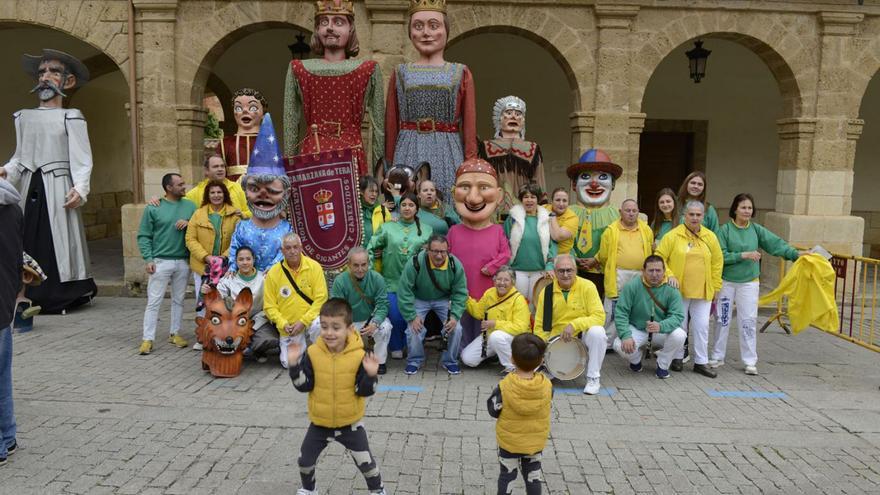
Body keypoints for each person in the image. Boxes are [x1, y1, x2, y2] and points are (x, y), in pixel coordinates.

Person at [0, 49, 97, 314]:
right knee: (25, 237)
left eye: (54, 71)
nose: (46, 77)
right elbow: (19, 158)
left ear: (68, 81)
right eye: (42, 72)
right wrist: (5, 171)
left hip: (58, 187)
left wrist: (80, 188)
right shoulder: (23, 117)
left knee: (60, 241)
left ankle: (61, 296)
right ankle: (23, 293)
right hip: (29, 186)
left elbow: (82, 159)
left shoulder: (72, 116)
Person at [287, 298, 386, 495]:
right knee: (304, 461)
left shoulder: (359, 356)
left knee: (366, 464)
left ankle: (377, 490)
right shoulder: (313, 353)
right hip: (319, 423)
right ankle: (309, 489)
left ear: (349, 329)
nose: (329, 333)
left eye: (336, 327)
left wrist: (371, 374)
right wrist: (294, 366)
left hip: (350, 424)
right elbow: (304, 386)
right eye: (324, 327)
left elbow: (365, 391)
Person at [385, 0, 477, 203]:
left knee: (447, 203)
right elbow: (391, 123)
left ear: (446, 30)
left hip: (447, 149)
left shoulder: (460, 73)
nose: (426, 33)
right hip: (408, 147)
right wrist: (388, 165)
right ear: (410, 33)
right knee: (407, 203)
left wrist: (471, 167)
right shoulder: (400, 72)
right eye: (418, 26)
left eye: (433, 26)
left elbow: (469, 127)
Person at [283, 0, 384, 176]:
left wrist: (379, 171)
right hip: (313, 153)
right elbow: (290, 123)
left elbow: (379, 127)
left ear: (351, 29)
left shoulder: (368, 70)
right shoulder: (298, 69)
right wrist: (289, 169)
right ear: (317, 30)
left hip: (350, 152)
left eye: (338, 22)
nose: (330, 28)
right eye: (324, 22)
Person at [712, 193, 803, 375]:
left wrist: (796, 254)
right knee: (722, 319)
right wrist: (743, 255)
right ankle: (717, 356)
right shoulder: (724, 231)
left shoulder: (756, 230)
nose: (747, 211)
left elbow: (775, 244)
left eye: (750, 208)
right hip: (727, 282)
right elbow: (719, 256)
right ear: (735, 209)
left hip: (749, 283)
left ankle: (749, 360)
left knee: (748, 321)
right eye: (743, 207)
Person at [656, 200, 723, 377]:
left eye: (698, 215)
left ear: (703, 216)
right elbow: (659, 257)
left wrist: (716, 286)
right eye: (691, 214)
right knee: (680, 326)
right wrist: (668, 274)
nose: (694, 218)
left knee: (701, 327)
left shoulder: (710, 237)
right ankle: (677, 358)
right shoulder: (672, 236)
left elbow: (717, 262)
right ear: (685, 215)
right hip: (679, 291)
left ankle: (701, 362)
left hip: (703, 290)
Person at [448, 158, 511, 347]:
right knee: (463, 316)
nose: (473, 198)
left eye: (483, 188)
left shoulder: (498, 230)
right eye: (465, 187)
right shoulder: (454, 231)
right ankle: (461, 348)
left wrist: (491, 267)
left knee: (485, 315)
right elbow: (445, 258)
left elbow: (506, 254)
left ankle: (484, 349)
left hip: (486, 285)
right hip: (462, 285)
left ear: (499, 195)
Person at [136, 173, 197, 355]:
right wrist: (148, 259)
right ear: (169, 188)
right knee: (154, 301)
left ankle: (175, 333)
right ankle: (148, 339)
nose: (184, 186)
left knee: (179, 300)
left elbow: (199, 225)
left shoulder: (190, 206)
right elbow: (144, 235)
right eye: (180, 184)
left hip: (183, 262)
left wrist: (188, 223)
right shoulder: (153, 208)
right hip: (160, 262)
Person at [367, 192, 432, 358]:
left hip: (416, 284)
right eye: (404, 205)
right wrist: (371, 268)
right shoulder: (388, 227)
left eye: (411, 205)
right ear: (399, 207)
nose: (407, 208)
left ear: (417, 208)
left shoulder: (426, 230)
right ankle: (396, 346)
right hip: (391, 281)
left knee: (411, 318)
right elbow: (372, 246)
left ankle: (409, 344)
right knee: (395, 317)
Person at [487, 333, 552, 495]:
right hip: (535, 442)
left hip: (510, 443)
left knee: (507, 476)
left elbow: (493, 410)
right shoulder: (547, 385)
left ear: (512, 359)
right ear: (541, 361)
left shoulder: (504, 386)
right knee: (533, 476)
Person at [310, 247, 392, 375]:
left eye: (364, 265)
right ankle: (324, 357)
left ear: (368, 263)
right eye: (356, 265)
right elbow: (337, 308)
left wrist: (374, 323)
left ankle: (380, 361)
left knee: (385, 327)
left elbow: (383, 305)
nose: (360, 269)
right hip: (347, 321)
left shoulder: (377, 279)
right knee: (316, 325)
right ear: (348, 264)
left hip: (368, 320)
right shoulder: (340, 281)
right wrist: (345, 325)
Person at [533, 254, 607, 395]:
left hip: (582, 336)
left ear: (575, 270)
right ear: (554, 272)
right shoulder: (546, 292)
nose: (565, 274)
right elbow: (540, 325)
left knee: (598, 332)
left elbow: (599, 316)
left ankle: (593, 377)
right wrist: (542, 348)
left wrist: (574, 324)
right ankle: (550, 367)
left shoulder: (588, 286)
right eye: (561, 271)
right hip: (557, 341)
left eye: (569, 270)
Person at [397, 234, 467, 375]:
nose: (439, 255)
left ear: (448, 250)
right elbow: (404, 290)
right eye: (435, 251)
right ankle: (414, 361)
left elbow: (460, 292)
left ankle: (450, 361)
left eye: (443, 251)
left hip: (443, 299)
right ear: (427, 250)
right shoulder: (415, 262)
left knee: (456, 328)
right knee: (414, 328)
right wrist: (412, 316)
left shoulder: (455, 265)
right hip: (420, 298)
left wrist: (454, 315)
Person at [611, 255, 687, 379]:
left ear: (664, 271)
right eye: (650, 270)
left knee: (680, 335)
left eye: (658, 271)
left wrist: (661, 326)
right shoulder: (632, 286)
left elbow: (677, 316)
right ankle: (636, 360)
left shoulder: (672, 289)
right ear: (643, 271)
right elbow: (621, 313)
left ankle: (662, 364)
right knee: (618, 345)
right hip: (638, 328)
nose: (654, 274)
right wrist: (626, 335)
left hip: (660, 330)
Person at [262, 233, 328, 368]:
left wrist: (303, 321)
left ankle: (318, 352)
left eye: (295, 247)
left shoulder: (314, 267)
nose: (292, 251)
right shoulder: (274, 273)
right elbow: (269, 306)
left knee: (319, 325)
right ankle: (303, 350)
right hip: (290, 327)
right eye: (288, 248)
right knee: (290, 364)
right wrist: (282, 323)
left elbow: (321, 299)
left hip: (309, 321)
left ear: (301, 248)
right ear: (282, 251)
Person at [567, 149, 623, 301]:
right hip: (572, 272)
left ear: (612, 184)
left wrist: (596, 259)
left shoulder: (618, 215)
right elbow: (560, 241)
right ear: (574, 185)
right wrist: (574, 258)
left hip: (602, 273)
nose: (594, 183)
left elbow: (616, 244)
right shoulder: (567, 213)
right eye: (585, 176)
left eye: (602, 177)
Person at [595, 199, 653, 343]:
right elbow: (603, 255)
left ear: (638, 212)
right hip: (618, 274)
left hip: (640, 274)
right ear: (621, 212)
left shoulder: (646, 229)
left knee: (636, 306)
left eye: (634, 211)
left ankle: (631, 337)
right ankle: (607, 341)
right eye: (628, 210)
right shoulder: (611, 230)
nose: (631, 214)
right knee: (614, 307)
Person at [478, 95, 546, 212]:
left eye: (518, 114)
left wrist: (541, 206)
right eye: (509, 113)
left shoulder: (532, 148)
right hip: (493, 207)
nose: (514, 116)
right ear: (499, 118)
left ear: (523, 120)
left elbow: (538, 181)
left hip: (524, 208)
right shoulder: (486, 147)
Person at [461, 266, 530, 372]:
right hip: (492, 336)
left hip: (515, 339)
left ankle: (513, 368)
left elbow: (521, 327)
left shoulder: (518, 299)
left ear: (513, 282)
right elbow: (479, 312)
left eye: (506, 280)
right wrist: (466, 298)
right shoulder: (490, 293)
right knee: (467, 358)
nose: (502, 283)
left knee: (496, 336)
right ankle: (495, 355)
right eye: (499, 279)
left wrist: (495, 324)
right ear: (494, 280)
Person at [185, 180, 240, 310]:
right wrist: (206, 257)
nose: (216, 195)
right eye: (212, 192)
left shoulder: (234, 215)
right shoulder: (198, 214)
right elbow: (190, 239)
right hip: (202, 266)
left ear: (224, 194)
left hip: (226, 267)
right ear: (208, 195)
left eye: (219, 192)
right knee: (203, 301)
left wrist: (223, 257)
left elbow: (238, 239)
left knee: (225, 300)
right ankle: (204, 329)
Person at [0, 177, 23, 466]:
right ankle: (8, 435)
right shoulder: (14, 208)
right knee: (2, 374)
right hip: (5, 298)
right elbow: (18, 257)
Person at [214, 246, 269, 361]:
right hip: (234, 322)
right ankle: (236, 349)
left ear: (253, 260)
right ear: (236, 261)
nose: (245, 262)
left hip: (258, 320)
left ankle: (257, 350)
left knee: (268, 339)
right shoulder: (228, 279)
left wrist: (252, 326)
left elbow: (269, 305)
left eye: (248, 259)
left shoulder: (264, 279)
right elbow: (218, 300)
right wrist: (208, 291)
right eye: (241, 259)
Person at [504, 183, 556, 305]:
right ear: (521, 199)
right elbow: (504, 243)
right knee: (519, 305)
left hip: (540, 271)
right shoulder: (512, 219)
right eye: (526, 197)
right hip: (517, 270)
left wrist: (550, 266)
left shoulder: (547, 219)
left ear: (538, 199)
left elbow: (553, 245)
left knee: (536, 306)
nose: (529, 200)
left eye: (533, 197)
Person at [183, 153, 250, 218]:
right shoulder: (196, 192)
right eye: (216, 166)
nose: (220, 169)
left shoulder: (237, 188)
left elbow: (251, 212)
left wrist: (242, 214)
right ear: (206, 170)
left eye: (222, 166)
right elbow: (183, 211)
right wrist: (186, 220)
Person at [220, 88, 266, 181]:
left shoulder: (268, 142)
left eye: (253, 108)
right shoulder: (224, 144)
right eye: (238, 108)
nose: (245, 111)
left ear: (263, 114)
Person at [545, 188, 577, 256]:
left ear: (568, 203)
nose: (561, 204)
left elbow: (557, 237)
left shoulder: (572, 218)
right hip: (544, 254)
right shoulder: (543, 208)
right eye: (557, 200)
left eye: (564, 201)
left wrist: (552, 215)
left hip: (563, 256)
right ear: (551, 202)